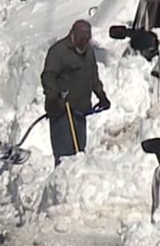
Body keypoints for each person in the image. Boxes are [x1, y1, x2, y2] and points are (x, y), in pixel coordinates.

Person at [41, 20, 110, 167]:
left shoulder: (88, 52)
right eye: (81, 40)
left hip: (80, 110)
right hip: (62, 111)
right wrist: (52, 96)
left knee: (79, 154)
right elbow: (48, 76)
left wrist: (101, 95)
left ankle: (75, 186)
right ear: (72, 35)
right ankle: (61, 186)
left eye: (87, 40)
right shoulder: (58, 51)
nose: (84, 44)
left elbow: (92, 76)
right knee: (65, 157)